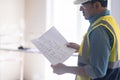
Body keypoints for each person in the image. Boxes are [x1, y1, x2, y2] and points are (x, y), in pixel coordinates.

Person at [51, 0, 120, 80]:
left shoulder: (99, 30)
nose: (80, 9)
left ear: (97, 5)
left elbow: (97, 71)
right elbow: (106, 52)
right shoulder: (109, 21)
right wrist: (81, 48)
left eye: (83, 5)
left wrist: (65, 69)